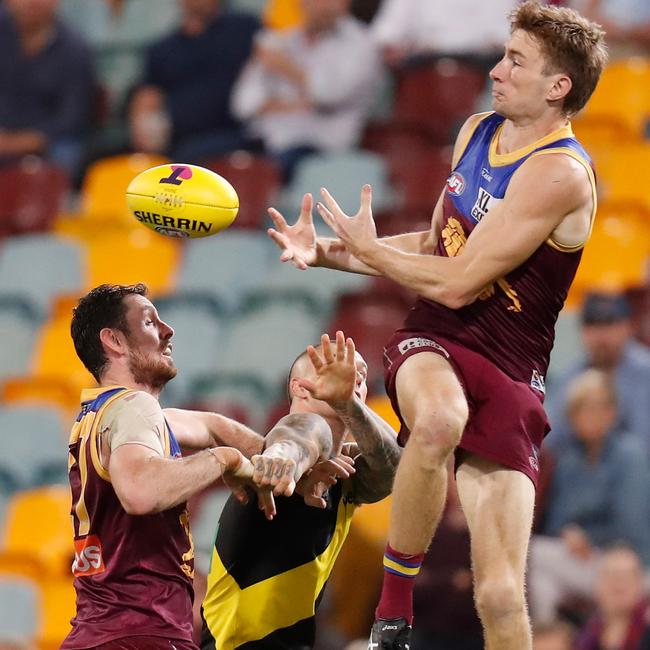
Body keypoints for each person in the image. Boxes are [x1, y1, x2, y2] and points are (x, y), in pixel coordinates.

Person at [267, 3, 607, 648]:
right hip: (438, 338)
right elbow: (437, 248)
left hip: (512, 370)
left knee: (504, 596)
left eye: (515, 61)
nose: (496, 69)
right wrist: (332, 254)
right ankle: (393, 618)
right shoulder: (478, 130)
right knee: (440, 422)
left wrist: (366, 251)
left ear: (558, 86)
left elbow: (462, 278)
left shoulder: (559, 172)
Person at [62, 283, 302, 649]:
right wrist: (224, 460)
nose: (168, 330)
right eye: (148, 322)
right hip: (140, 635)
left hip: (99, 635)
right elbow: (141, 492)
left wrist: (291, 463)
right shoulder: (133, 408)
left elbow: (211, 426)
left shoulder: (100, 416)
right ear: (114, 341)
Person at [200, 332, 401, 649]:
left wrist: (347, 403)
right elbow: (299, 435)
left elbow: (393, 465)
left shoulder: (344, 476)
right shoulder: (294, 438)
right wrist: (282, 458)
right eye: (332, 370)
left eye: (358, 378)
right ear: (299, 387)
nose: (350, 381)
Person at [529, 369, 650, 625]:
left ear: (612, 412)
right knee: (535, 561)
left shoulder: (631, 455)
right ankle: (549, 639)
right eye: (581, 409)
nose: (590, 416)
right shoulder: (569, 461)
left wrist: (588, 538)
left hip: (629, 560)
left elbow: (631, 527)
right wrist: (569, 533)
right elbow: (556, 523)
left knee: (541, 560)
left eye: (598, 408)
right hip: (584, 560)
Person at [231, 0, 381, 181]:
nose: (322, 6)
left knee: (260, 176)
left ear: (345, 4)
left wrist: (288, 69)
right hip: (264, 139)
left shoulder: (361, 43)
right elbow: (243, 104)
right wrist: (299, 103)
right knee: (210, 159)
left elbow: (329, 94)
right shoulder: (280, 39)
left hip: (318, 145)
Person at [129, 0, 260, 162]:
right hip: (179, 142)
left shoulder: (244, 29)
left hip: (237, 136)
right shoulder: (162, 50)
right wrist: (143, 121)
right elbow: (148, 96)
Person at [545, 291, 650, 452]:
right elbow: (551, 441)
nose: (601, 335)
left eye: (609, 323)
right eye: (592, 325)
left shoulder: (645, 371)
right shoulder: (571, 377)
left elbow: (644, 442)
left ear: (629, 327)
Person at [0, 0, 95, 174]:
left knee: (67, 153)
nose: (31, 3)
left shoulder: (75, 49)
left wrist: (18, 142)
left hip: (46, 140)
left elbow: (72, 117)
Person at [577, 546, 650, 650]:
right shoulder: (583, 632)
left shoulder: (647, 627)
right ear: (597, 585)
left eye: (627, 575)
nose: (619, 583)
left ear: (640, 585)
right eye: (611, 575)